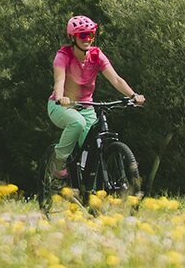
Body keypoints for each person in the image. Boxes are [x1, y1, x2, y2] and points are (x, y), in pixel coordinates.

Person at [48, 16, 145, 174]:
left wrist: (133, 95)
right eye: (83, 35)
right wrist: (60, 97)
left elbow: (116, 79)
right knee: (77, 123)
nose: (88, 39)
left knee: (94, 145)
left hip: (87, 107)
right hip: (61, 106)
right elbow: (59, 81)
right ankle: (58, 160)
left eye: (91, 35)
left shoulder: (96, 55)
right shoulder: (63, 56)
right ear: (72, 37)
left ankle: (89, 190)